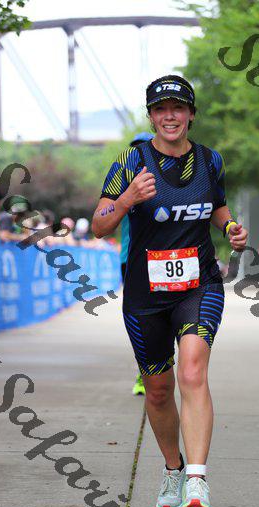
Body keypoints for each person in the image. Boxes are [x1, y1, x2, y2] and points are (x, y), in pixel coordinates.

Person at [92, 74, 248, 507]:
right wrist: (126, 200)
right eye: (161, 109)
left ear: (191, 114)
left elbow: (217, 207)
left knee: (193, 371)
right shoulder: (131, 161)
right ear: (151, 116)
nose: (170, 116)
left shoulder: (210, 160)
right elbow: (99, 224)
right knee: (159, 390)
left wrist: (230, 227)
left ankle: (197, 483)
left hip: (199, 284)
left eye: (178, 107)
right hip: (146, 294)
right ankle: (173, 470)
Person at [124, 132, 154, 396]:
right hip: (130, 260)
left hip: (163, 258)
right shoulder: (122, 183)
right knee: (143, 323)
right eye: (135, 150)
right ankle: (143, 373)